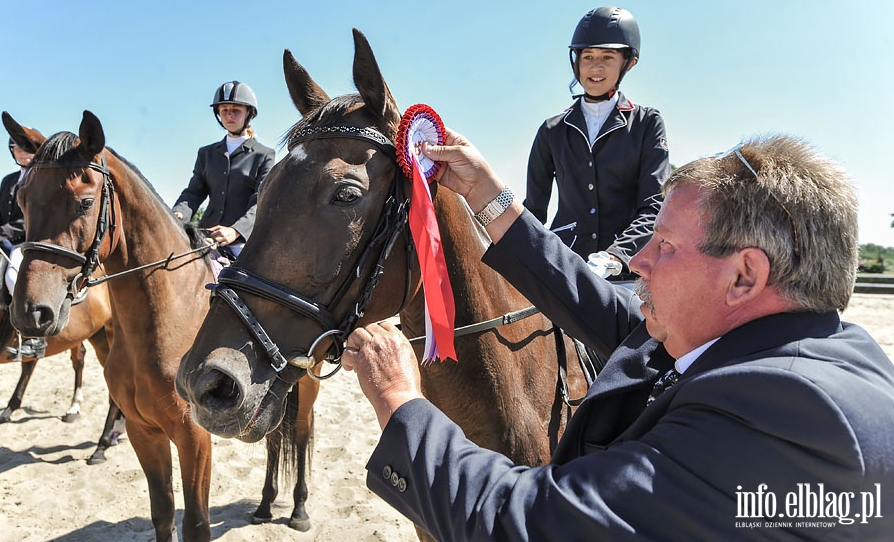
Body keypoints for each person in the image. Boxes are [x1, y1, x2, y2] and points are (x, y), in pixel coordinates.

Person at [341, 130, 894, 540]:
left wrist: (398, 400)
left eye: (666, 246)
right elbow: (591, 302)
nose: (640, 260)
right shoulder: (781, 347)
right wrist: (490, 195)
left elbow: (527, 524)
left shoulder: (784, 413)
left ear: (744, 275)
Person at [524, 6, 670, 281]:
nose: (595, 67)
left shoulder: (646, 123)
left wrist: (616, 256)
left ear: (629, 62)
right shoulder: (551, 130)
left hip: (626, 274)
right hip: (565, 270)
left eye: (607, 57)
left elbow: (654, 207)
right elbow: (533, 211)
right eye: (587, 56)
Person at [172, 81, 275, 258]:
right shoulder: (206, 153)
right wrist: (178, 212)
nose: (229, 115)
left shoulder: (264, 155)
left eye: (236, 110)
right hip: (206, 237)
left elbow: (260, 202)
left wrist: (235, 231)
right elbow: (193, 193)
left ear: (249, 113)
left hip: (242, 242)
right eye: (224, 109)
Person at [0, 136, 47, 359]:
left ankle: (34, 337)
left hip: (26, 241)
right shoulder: (8, 180)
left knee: (13, 276)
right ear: (12, 151)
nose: (23, 152)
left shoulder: (41, 180)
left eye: (28, 149)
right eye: (17, 148)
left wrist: (2, 232)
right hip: (3, 240)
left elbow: (33, 218)